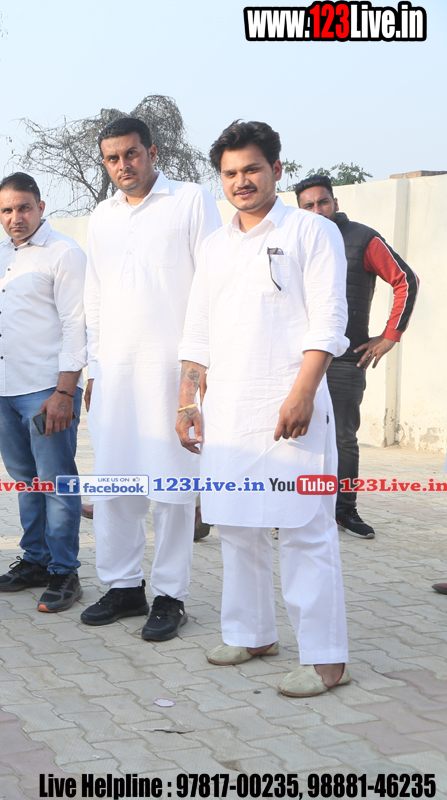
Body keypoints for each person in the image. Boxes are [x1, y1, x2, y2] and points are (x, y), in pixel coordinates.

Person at [177, 120, 350, 697]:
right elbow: (197, 331)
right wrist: (187, 401)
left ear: (276, 168)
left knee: (304, 528)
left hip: (290, 405)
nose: (241, 181)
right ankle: (251, 635)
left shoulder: (311, 231)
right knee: (236, 524)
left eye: (251, 169)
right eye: (230, 173)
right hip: (229, 410)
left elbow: (328, 320)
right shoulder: (214, 245)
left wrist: (303, 392)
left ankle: (326, 659)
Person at [80, 118, 221, 641]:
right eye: (112, 158)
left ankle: (169, 596)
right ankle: (123, 587)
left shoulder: (190, 200)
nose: (123, 165)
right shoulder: (102, 216)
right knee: (115, 485)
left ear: (153, 152)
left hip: (172, 373)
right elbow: (95, 296)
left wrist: (200, 372)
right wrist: (94, 368)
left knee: (173, 490)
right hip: (115, 375)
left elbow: (211, 286)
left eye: (131, 154)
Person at [293, 174, 419, 540]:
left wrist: (390, 336)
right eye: (308, 205)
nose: (317, 210)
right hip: (297, 359)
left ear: (335, 202)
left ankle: (344, 510)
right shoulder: (291, 239)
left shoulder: (363, 238)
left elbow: (406, 280)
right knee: (295, 434)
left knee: (343, 439)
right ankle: (293, 510)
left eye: (323, 202)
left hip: (345, 360)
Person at [0, 173, 87, 613]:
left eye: (24, 207)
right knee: (26, 481)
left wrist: (65, 391)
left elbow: (76, 324)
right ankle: (36, 560)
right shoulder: (1, 253)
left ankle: (65, 572)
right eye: (7, 210)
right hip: (6, 389)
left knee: (57, 482)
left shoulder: (64, 253)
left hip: (47, 391)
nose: (16, 217)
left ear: (41, 207)